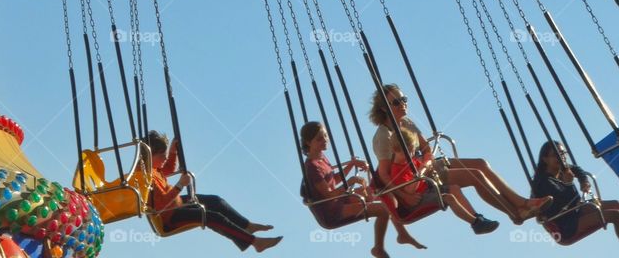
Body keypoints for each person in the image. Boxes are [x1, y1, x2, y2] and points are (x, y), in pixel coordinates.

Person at [369, 84, 550, 231]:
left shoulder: (407, 122)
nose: (403, 104)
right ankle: (515, 211)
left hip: (424, 167)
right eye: (397, 102)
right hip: (415, 180)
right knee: (475, 175)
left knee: (481, 164)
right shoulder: (383, 137)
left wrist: (427, 162)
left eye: (404, 99)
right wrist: (404, 196)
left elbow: (425, 149)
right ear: (384, 108)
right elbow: (384, 175)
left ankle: (521, 203)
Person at [300, 121, 425, 258]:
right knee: (383, 210)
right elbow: (328, 194)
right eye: (319, 139)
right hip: (331, 211)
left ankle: (402, 233)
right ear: (308, 142)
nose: (325, 140)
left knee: (375, 191)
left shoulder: (321, 157)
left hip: (337, 201)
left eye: (325, 136)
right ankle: (378, 248)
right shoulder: (312, 167)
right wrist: (351, 182)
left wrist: (352, 164)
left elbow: (333, 179)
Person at [145, 131, 283, 251]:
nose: (165, 158)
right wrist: (180, 185)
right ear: (150, 156)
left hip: (175, 205)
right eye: (161, 155)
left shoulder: (153, 169)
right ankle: (255, 242)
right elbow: (161, 205)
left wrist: (173, 152)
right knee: (212, 217)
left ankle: (247, 226)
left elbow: (167, 168)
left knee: (215, 201)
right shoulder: (146, 177)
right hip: (169, 218)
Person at [532, 141, 619, 257]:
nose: (561, 157)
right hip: (565, 225)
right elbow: (568, 198)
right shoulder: (544, 182)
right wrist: (569, 183)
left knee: (616, 204)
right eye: (556, 155)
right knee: (616, 215)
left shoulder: (562, 169)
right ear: (545, 159)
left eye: (563, 153)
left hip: (575, 212)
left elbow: (577, 169)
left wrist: (584, 181)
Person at [387, 126, 490, 234]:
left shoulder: (411, 161)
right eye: (408, 151)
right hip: (417, 200)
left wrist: (427, 162)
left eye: (412, 150)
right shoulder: (397, 170)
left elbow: (425, 163)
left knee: (454, 188)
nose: (411, 154)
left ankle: (476, 216)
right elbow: (410, 190)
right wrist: (422, 170)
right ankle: (475, 223)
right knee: (448, 197)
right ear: (395, 150)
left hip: (427, 190)